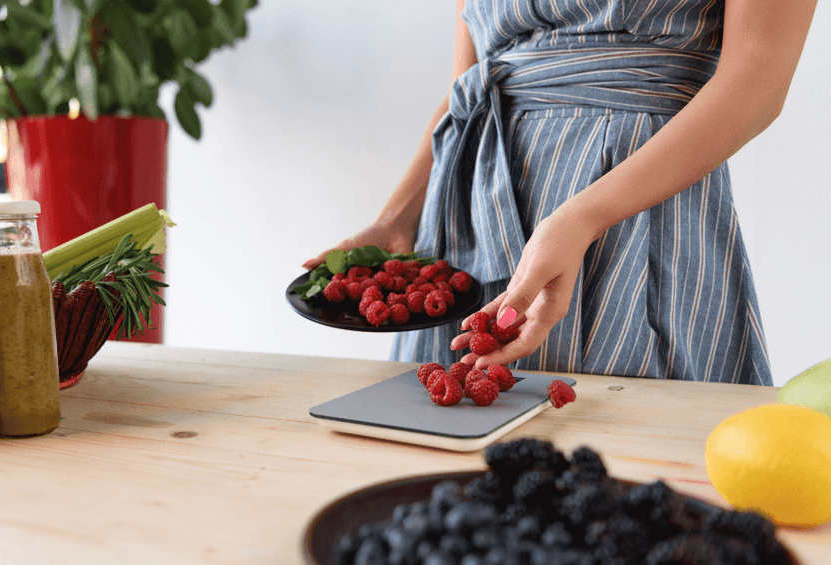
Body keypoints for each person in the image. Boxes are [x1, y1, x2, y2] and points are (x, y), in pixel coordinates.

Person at [304, 0, 818, 384]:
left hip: (628, 209)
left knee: (624, 472)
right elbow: (468, 87)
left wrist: (586, 217)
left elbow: (759, 77)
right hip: (467, 213)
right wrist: (398, 217)